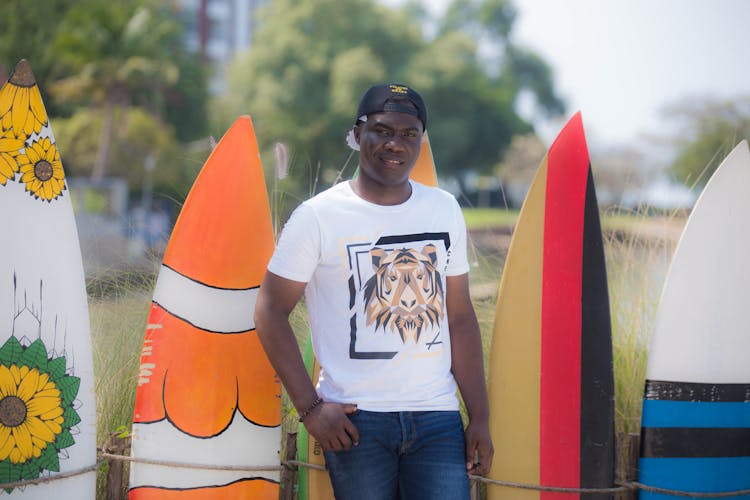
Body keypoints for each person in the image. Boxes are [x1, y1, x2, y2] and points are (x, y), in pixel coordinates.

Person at [255, 83, 493, 500]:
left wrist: (479, 418)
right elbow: (270, 311)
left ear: (421, 140)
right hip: (356, 420)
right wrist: (310, 410)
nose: (394, 144)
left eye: (408, 134)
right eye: (382, 130)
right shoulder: (318, 216)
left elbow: (458, 318)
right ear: (358, 133)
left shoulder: (444, 209)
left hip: (437, 417)